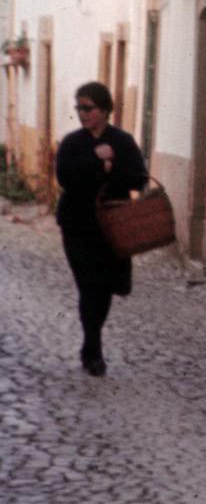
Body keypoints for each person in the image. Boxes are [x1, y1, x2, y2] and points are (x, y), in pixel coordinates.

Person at [53, 82, 147, 378]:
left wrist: (112, 168)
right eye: (79, 108)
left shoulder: (122, 141)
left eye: (88, 108)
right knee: (89, 285)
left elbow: (139, 180)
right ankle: (93, 349)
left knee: (105, 288)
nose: (82, 114)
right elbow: (65, 178)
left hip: (112, 227)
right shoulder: (72, 143)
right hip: (78, 226)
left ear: (104, 109)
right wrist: (95, 160)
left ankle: (90, 344)